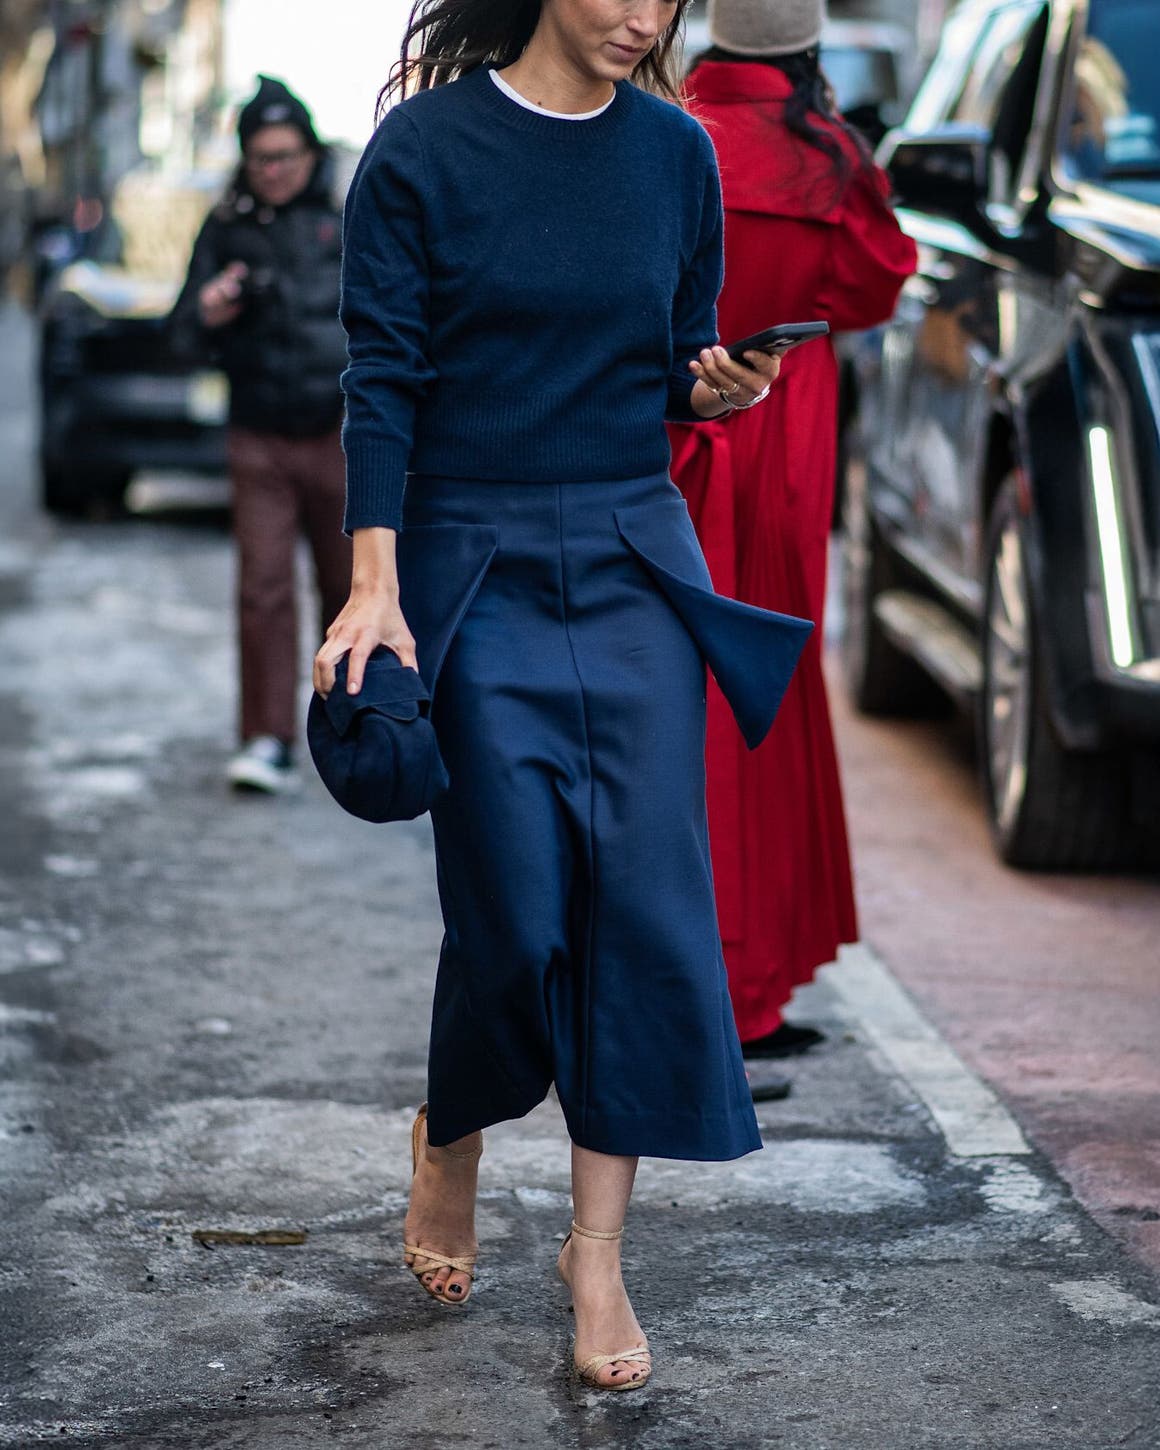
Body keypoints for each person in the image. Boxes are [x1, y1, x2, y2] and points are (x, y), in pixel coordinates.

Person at [312, 0, 810, 1393]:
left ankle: (597, 1250)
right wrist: (374, 584)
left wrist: (724, 387)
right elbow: (383, 380)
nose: (642, 14)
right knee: (514, 908)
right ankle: (453, 1131)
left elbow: (673, 363)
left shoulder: (678, 156)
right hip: (474, 557)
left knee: (641, 906)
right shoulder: (422, 154)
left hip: (636, 557)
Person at [668, 0, 917, 1061]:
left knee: (681, 710)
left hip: (676, 438)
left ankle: (693, 981)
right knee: (767, 696)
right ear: (804, 45)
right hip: (785, 441)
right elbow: (874, 282)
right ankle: (751, 987)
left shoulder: (672, 131)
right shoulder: (824, 154)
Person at [171, 76, 351, 794]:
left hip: (340, 432)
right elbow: (179, 332)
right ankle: (266, 738)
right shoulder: (224, 229)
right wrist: (210, 312)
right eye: (260, 158)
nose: (274, 170)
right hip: (259, 436)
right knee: (264, 589)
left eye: (286, 155)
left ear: (309, 152)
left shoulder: (348, 217)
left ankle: (350, 732)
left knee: (347, 588)